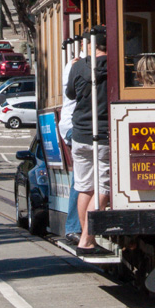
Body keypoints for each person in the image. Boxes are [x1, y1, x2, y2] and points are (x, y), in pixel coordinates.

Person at [66, 26, 110, 256]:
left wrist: (77, 67)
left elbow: (71, 94)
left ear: (89, 44)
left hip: (81, 135)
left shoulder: (78, 66)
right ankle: (87, 238)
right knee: (104, 188)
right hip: (103, 136)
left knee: (84, 188)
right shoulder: (115, 67)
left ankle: (86, 237)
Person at [58, 35, 83, 245]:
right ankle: (74, 227)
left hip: (84, 125)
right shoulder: (76, 65)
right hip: (74, 127)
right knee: (82, 173)